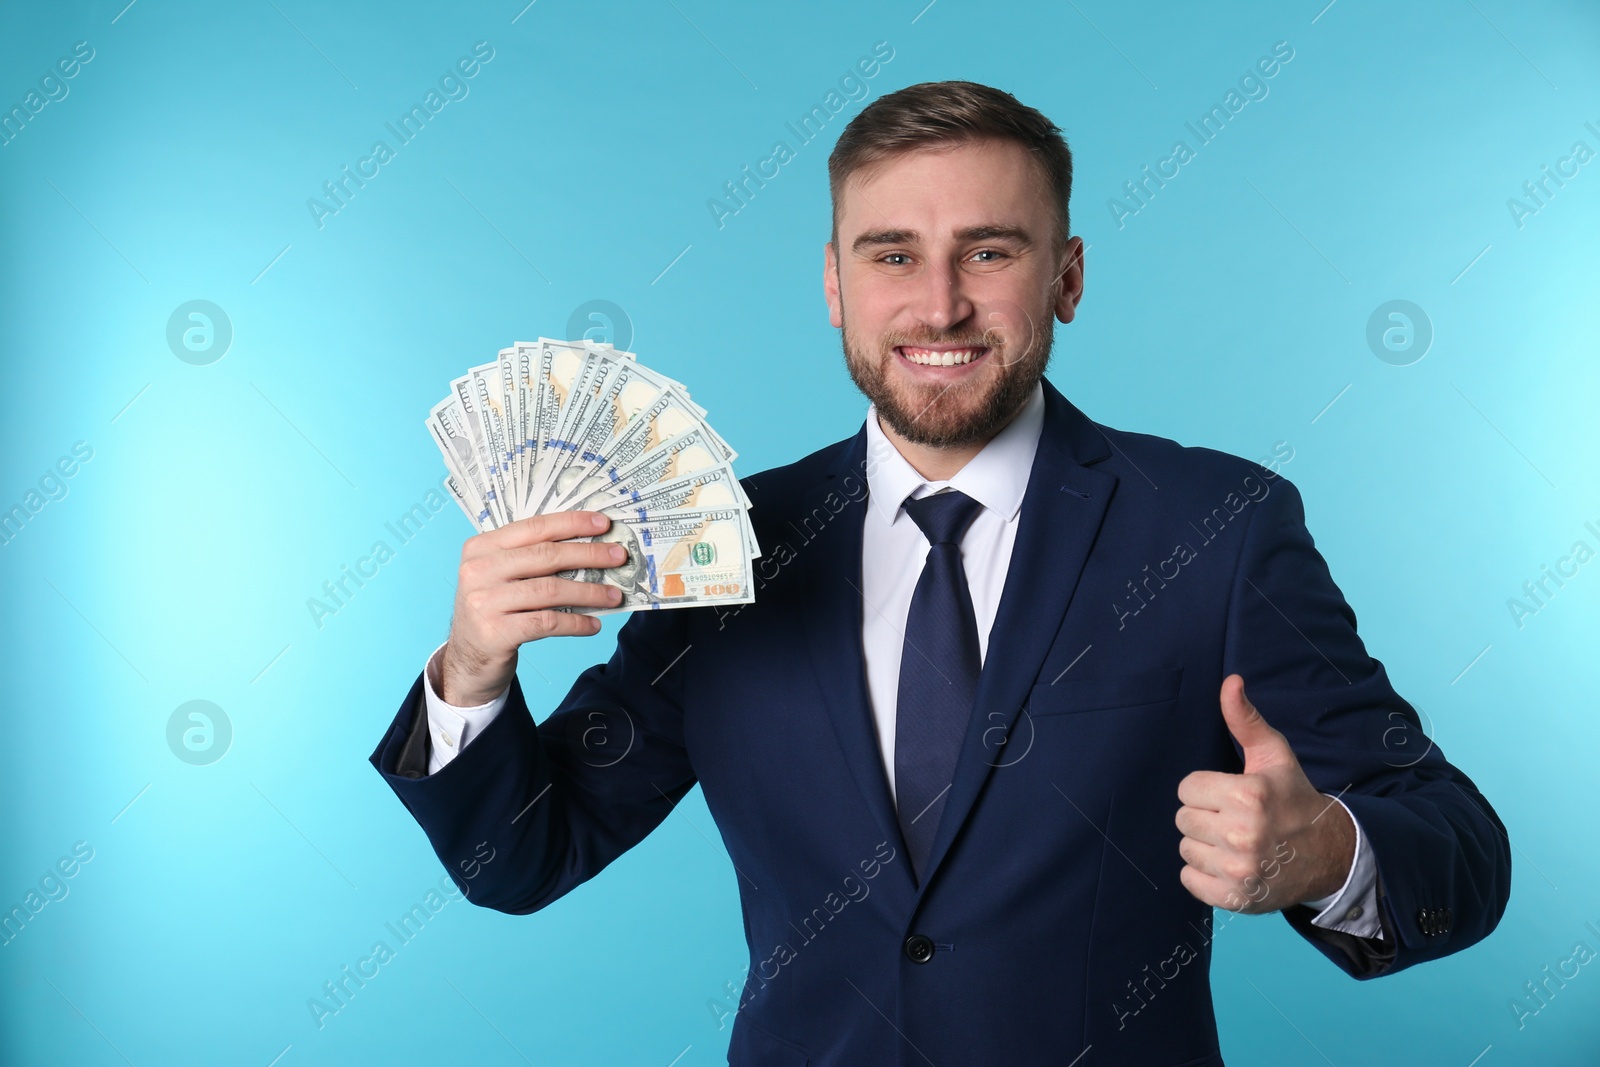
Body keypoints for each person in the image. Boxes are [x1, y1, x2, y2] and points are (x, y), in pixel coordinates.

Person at [370, 80, 1510, 1066]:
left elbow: (1458, 845)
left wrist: (1324, 850)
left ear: (1066, 276)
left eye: (990, 250)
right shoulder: (727, 546)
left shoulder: (1215, 527)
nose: (939, 303)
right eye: (892, 254)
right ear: (833, 284)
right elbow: (519, 855)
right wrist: (472, 666)